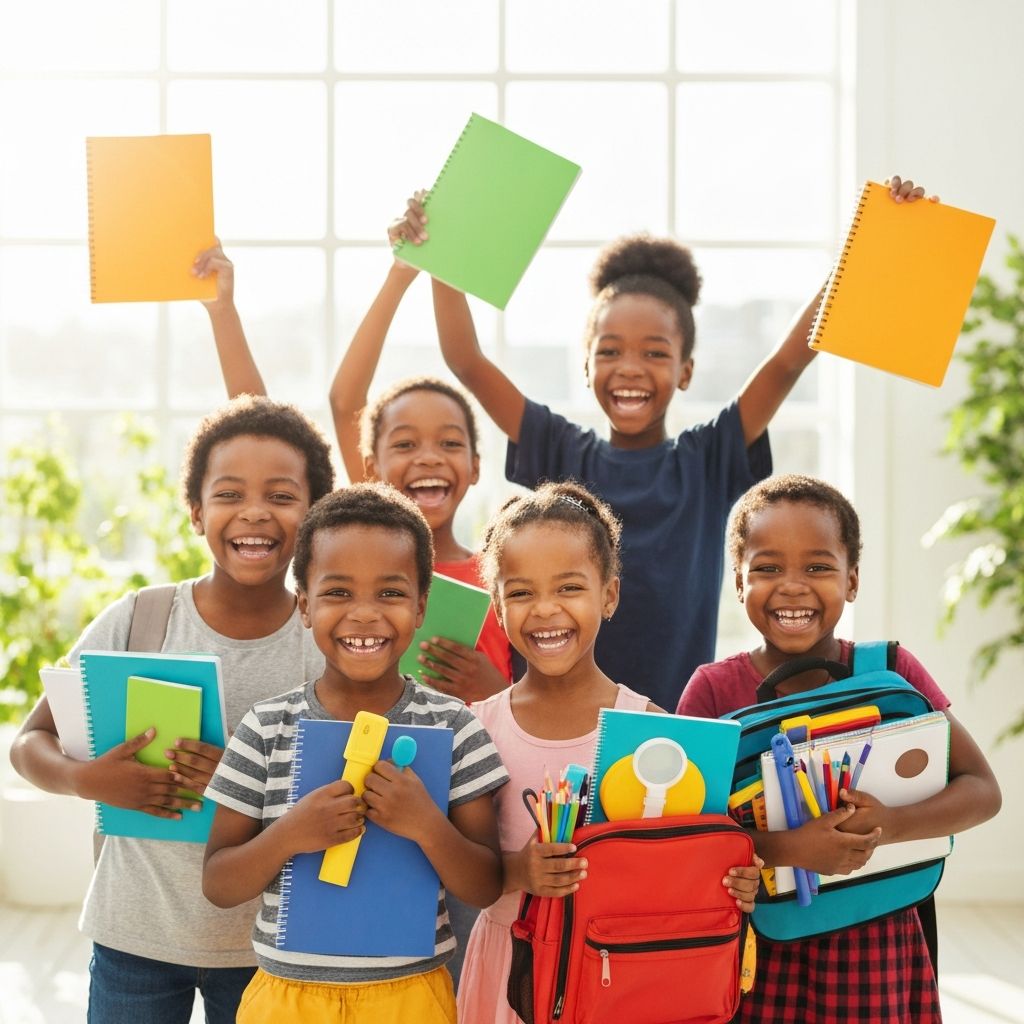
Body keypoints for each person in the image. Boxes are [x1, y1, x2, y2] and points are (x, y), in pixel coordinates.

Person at [399, 176, 936, 711]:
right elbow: (466, 358)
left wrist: (875, 240)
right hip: (557, 727)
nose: (630, 368)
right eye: (609, 351)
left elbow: (789, 360)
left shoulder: (706, 459)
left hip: (679, 726)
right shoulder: (561, 451)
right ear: (586, 368)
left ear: (685, 371)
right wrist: (438, 251)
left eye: (654, 353)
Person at [9, 395, 336, 1024]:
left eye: (281, 495)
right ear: (195, 512)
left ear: (315, 514)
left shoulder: (321, 643)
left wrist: (238, 779)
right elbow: (29, 743)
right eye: (229, 494)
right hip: (134, 934)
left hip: (266, 946)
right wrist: (86, 779)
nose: (254, 514)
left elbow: (337, 795)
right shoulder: (143, 618)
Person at [677, 473, 1002, 1024]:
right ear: (738, 581)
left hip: (878, 937)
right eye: (768, 568)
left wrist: (891, 825)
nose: (793, 586)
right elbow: (684, 835)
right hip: (757, 948)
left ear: (852, 580)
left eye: (818, 567)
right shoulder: (712, 690)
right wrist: (787, 848)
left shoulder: (892, 671)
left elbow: (982, 790)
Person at [455, 480, 763, 1024]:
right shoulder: (476, 727)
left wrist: (735, 879)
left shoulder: (656, 731)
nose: (546, 609)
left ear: (610, 595)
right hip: (509, 970)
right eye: (522, 593)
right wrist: (520, 872)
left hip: (620, 975)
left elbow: (689, 865)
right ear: (498, 610)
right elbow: (464, 872)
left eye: (569, 588)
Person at [201, 483, 508, 1023]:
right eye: (338, 593)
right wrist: (291, 833)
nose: (364, 615)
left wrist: (426, 825)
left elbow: (485, 885)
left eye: (389, 593)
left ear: (420, 607)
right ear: (304, 606)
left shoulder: (455, 726)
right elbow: (219, 884)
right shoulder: (266, 728)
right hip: (286, 1001)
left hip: (411, 999)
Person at [196, 235, 513, 705]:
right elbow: (284, 421)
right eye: (405, 444)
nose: (427, 457)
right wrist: (401, 274)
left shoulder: (501, 576)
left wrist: (496, 692)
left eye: (449, 443)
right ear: (371, 467)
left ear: (475, 467)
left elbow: (531, 701)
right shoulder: (351, 544)